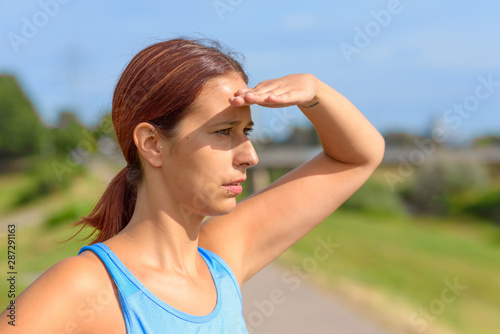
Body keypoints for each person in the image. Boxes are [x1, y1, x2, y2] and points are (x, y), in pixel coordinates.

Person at [0, 37, 385, 333]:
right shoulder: (85, 286)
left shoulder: (222, 258)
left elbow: (358, 156)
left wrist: (315, 92)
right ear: (152, 144)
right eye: (224, 132)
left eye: (246, 130)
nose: (249, 155)